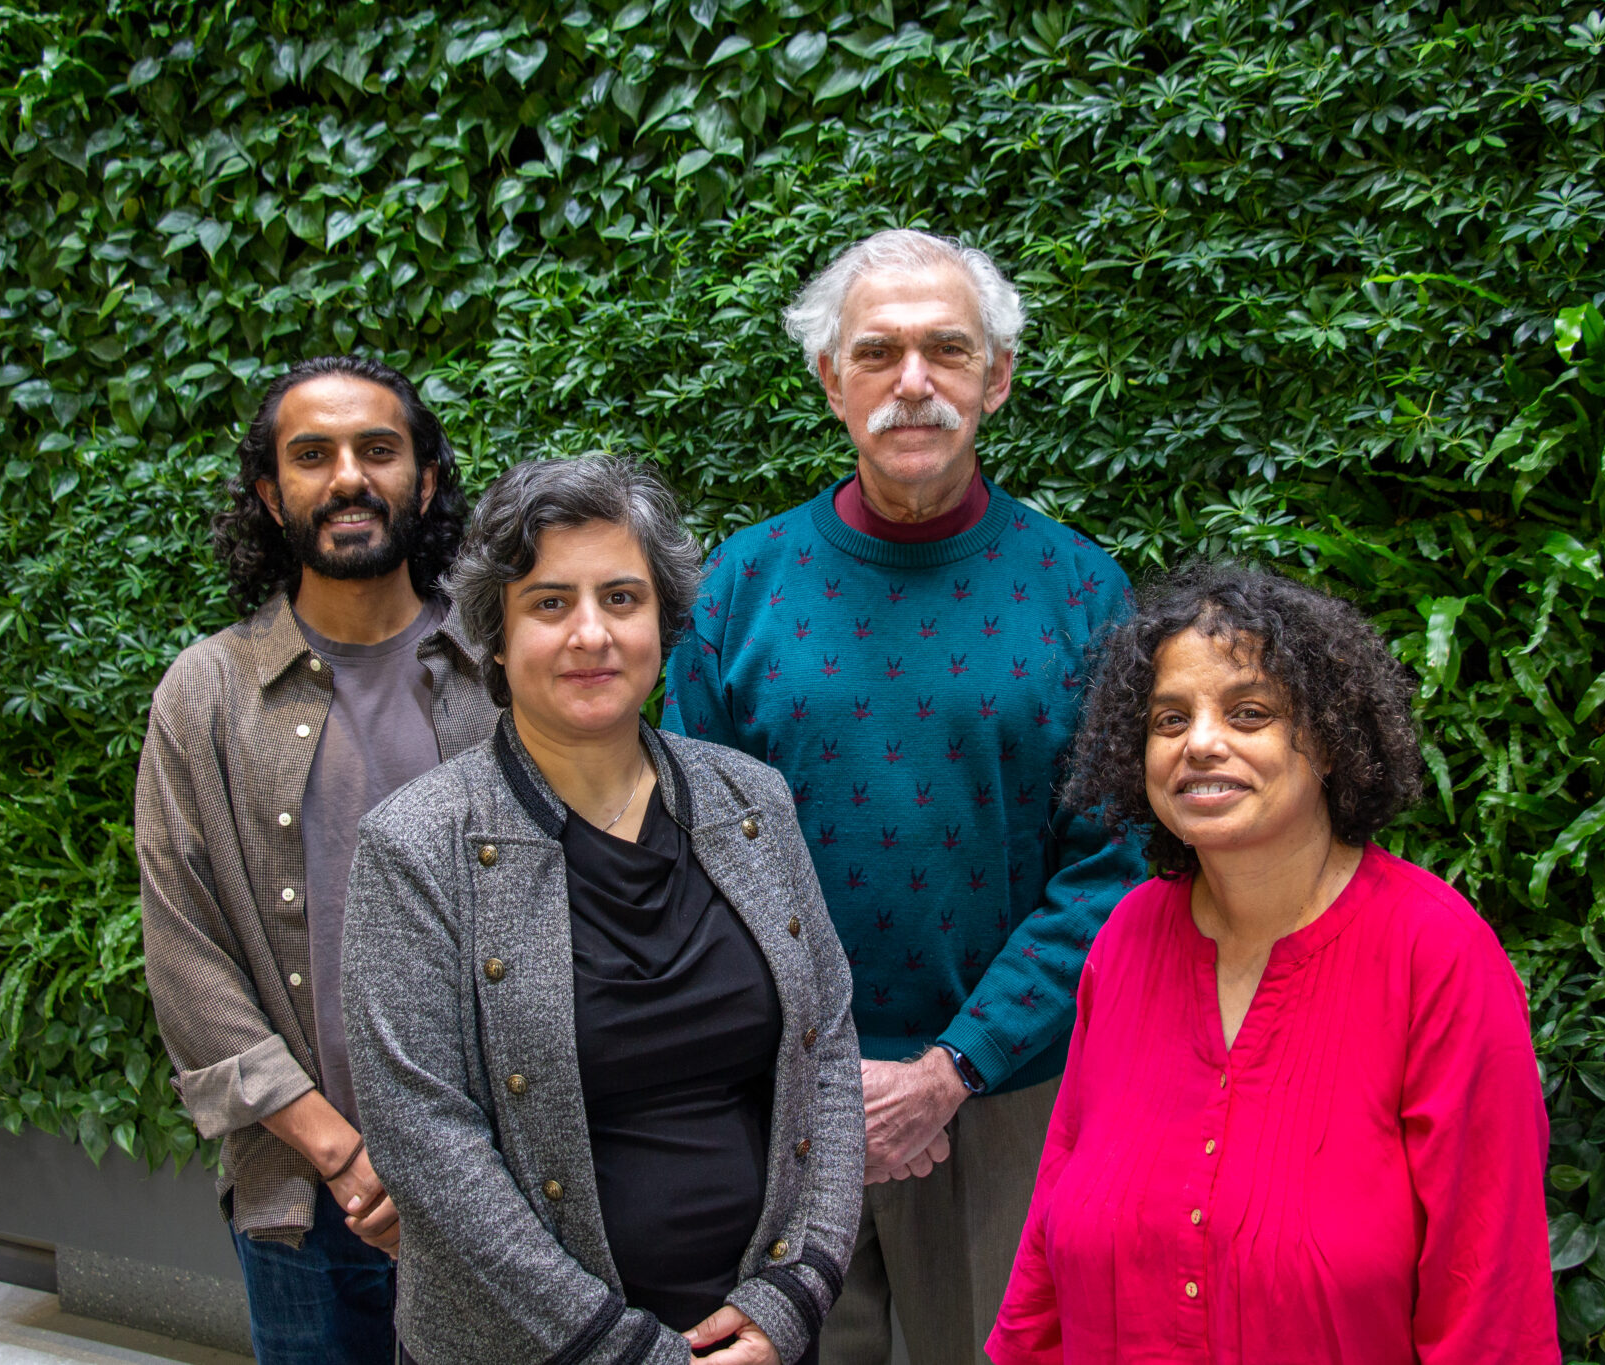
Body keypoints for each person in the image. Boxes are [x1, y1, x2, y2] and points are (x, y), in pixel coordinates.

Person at [663, 228, 1151, 1365]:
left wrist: (949, 1069)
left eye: (946, 349)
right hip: (772, 1101)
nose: (913, 382)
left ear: (999, 376)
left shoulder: (1082, 589)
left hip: (1000, 1103)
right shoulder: (739, 584)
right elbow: (692, 847)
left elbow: (1113, 864)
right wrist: (819, 1071)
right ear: (829, 380)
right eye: (877, 353)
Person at [340, 455, 864, 1365]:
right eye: (550, 603)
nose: (592, 633)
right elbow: (426, 1137)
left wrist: (792, 1298)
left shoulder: (754, 802)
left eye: (622, 598)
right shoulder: (417, 843)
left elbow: (830, 1052)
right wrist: (627, 1353)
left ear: (664, 620)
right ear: (495, 637)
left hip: (756, 1342)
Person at [988, 561, 1559, 1364]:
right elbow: (1048, 1255)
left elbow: (1490, 1306)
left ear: (1328, 738)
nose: (1202, 743)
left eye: (1249, 712)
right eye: (1169, 719)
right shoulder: (1124, 942)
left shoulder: (1438, 959)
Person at [136, 356, 497, 1364]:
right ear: (269, 492)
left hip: (511, 1183)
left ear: (423, 480)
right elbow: (186, 954)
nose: (347, 477)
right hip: (310, 1195)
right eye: (312, 456)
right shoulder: (205, 695)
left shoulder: (503, 667)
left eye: (377, 450)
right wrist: (343, 1157)